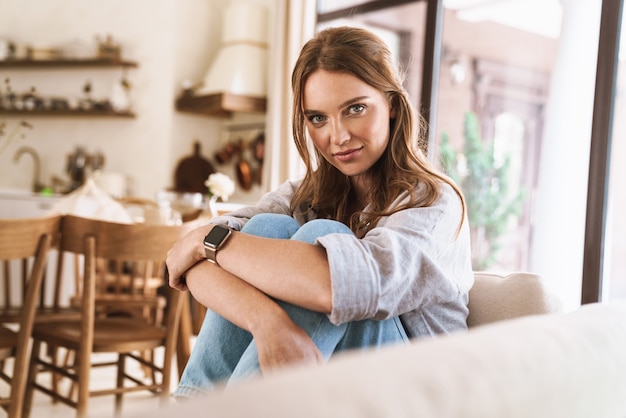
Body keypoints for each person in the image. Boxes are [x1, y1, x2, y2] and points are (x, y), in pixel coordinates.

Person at [166, 26, 473, 398]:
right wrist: (267, 323)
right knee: (266, 227)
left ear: (392, 103)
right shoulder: (306, 193)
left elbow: (340, 285)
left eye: (355, 109)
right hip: (335, 375)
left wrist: (206, 240)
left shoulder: (434, 201)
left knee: (321, 239)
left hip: (421, 391)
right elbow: (190, 266)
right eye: (317, 118)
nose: (337, 136)